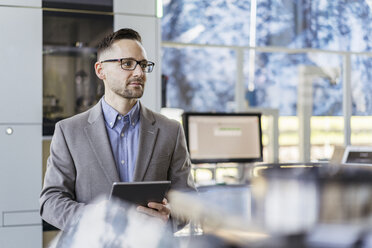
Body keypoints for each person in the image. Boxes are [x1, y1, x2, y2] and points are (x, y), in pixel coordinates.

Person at [40, 28, 195, 231]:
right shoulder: (69, 131)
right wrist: (94, 217)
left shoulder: (170, 130)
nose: (139, 73)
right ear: (100, 70)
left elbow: (188, 200)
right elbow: (50, 201)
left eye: (143, 64)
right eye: (127, 63)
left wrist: (170, 215)